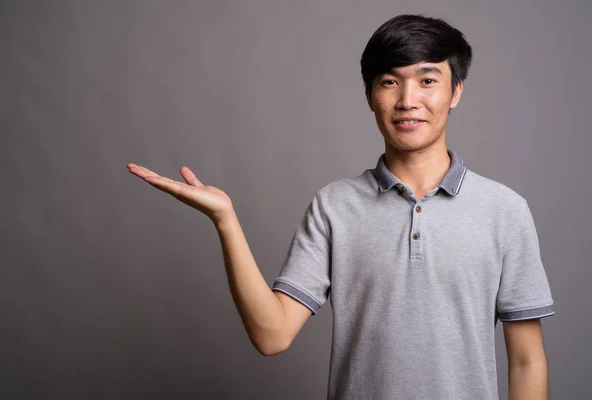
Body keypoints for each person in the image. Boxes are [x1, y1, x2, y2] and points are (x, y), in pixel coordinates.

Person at [127, 14, 555, 400]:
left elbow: (527, 362)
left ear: (455, 92)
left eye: (427, 80)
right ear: (370, 95)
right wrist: (226, 220)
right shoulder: (334, 206)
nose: (408, 99)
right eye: (390, 81)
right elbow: (272, 335)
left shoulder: (504, 211)